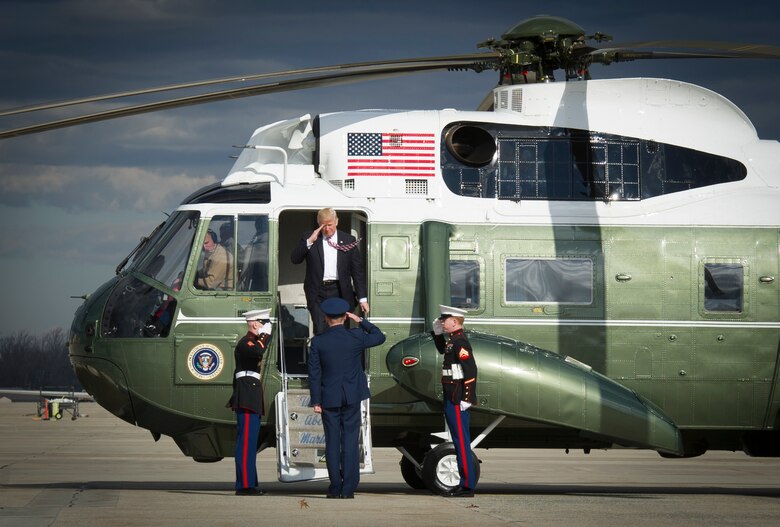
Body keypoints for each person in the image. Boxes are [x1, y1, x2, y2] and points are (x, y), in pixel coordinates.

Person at [307, 297, 385, 499]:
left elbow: (314, 373)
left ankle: (335, 487)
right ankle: (348, 489)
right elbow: (379, 336)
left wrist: (316, 401)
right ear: (345, 316)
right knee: (350, 441)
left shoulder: (318, 342)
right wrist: (361, 321)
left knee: (332, 442)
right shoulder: (356, 336)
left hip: (329, 398)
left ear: (325, 318)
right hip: (351, 397)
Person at [290, 208, 368, 334]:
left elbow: (357, 271)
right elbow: (295, 259)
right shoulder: (309, 237)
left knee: (340, 331)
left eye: (329, 225)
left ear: (336, 222)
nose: (326, 229)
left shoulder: (348, 240)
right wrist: (310, 242)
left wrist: (362, 298)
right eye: (323, 225)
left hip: (340, 291)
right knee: (321, 329)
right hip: (317, 291)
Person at [431, 304, 478, 497]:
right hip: (452, 396)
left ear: (455, 321)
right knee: (458, 440)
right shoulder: (452, 341)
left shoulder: (460, 343)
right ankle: (465, 482)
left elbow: (471, 370)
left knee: (461, 442)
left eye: (445, 320)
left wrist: (468, 398)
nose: (442, 322)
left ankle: (467, 485)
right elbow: (443, 350)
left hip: (458, 398)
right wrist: (436, 334)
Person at [226, 308, 272, 496]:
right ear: (254, 324)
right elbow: (258, 350)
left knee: (249, 442)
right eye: (263, 323)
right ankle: (244, 485)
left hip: (250, 396)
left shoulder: (252, 341)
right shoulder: (246, 343)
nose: (265, 327)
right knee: (245, 443)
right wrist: (266, 335)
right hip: (246, 396)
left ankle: (249, 482)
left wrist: (264, 335)